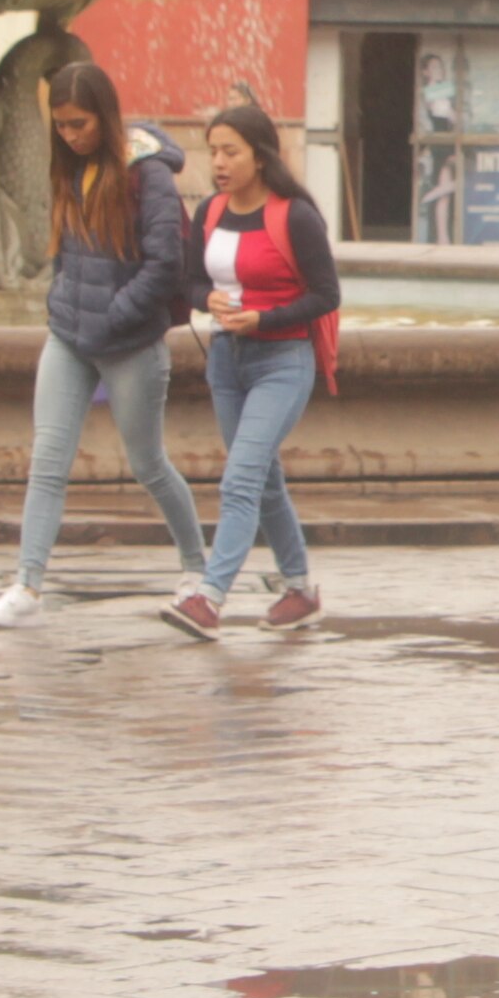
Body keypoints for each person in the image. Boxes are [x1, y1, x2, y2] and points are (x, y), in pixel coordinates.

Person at [0, 52, 202, 628]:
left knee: (149, 464)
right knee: (48, 461)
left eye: (80, 123)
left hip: (130, 344)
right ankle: (27, 587)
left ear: (104, 115)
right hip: (69, 339)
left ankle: (197, 570)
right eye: (61, 124)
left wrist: (113, 316)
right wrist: (62, 304)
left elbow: (165, 264)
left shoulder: (146, 172)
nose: (70, 135)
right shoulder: (70, 168)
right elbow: (67, 254)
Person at [171, 103, 340, 644]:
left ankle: (209, 598)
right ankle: (300, 590)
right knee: (263, 480)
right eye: (213, 151)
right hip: (227, 360)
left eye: (230, 151)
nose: (218, 162)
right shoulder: (211, 212)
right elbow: (190, 282)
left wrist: (265, 317)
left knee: (240, 477)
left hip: (283, 360)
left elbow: (326, 295)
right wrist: (210, 299)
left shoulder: (295, 216)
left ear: (260, 156)